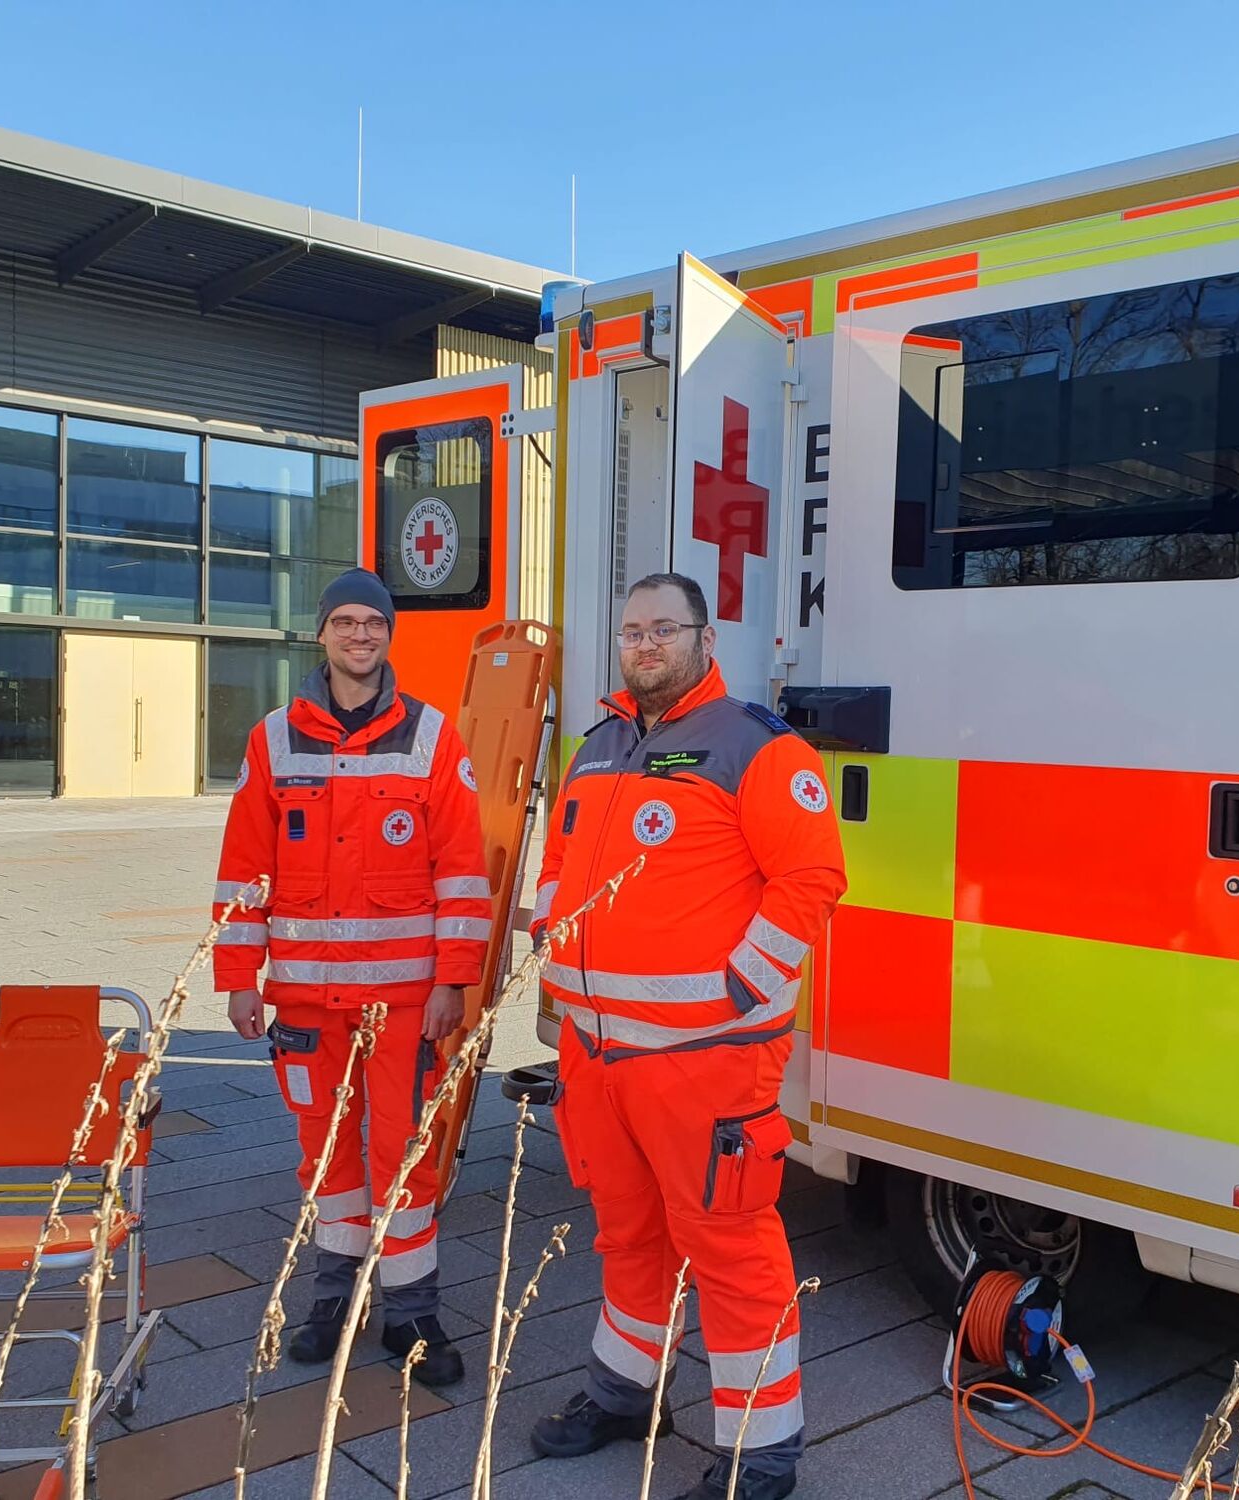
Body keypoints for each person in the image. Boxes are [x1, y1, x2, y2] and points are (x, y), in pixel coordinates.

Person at [526, 572, 847, 1500]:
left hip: (705, 1061)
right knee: (628, 1235)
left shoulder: (757, 747)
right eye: (632, 631)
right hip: (598, 1055)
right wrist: (551, 930)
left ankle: (760, 1451)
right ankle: (624, 1395)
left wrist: (737, 989)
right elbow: (560, 862)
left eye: (664, 628)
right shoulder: (597, 747)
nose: (645, 644)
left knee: (732, 1251)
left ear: (705, 639)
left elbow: (812, 879)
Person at [213, 567, 491, 1388]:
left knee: (405, 1155)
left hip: (405, 1003)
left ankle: (412, 1314)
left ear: (389, 635)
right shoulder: (272, 741)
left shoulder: (433, 738)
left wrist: (453, 981)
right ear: (322, 634)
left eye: (373, 622)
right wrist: (238, 977)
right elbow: (244, 870)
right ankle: (335, 1299)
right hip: (305, 1003)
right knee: (326, 1154)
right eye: (345, 621)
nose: (359, 634)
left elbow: (463, 872)